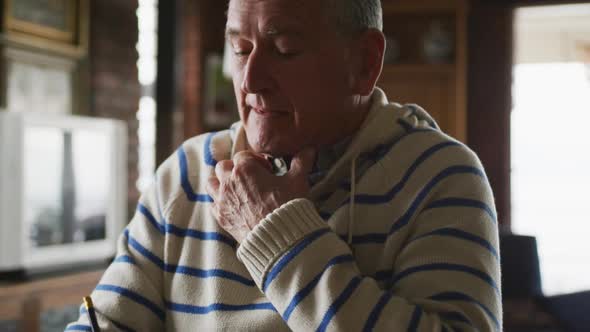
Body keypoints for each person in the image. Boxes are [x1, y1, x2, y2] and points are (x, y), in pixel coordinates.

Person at [67, 0, 501, 331]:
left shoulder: (443, 177)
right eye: (240, 48)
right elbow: (106, 323)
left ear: (364, 63)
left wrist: (274, 232)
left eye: (285, 49)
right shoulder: (185, 173)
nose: (251, 80)